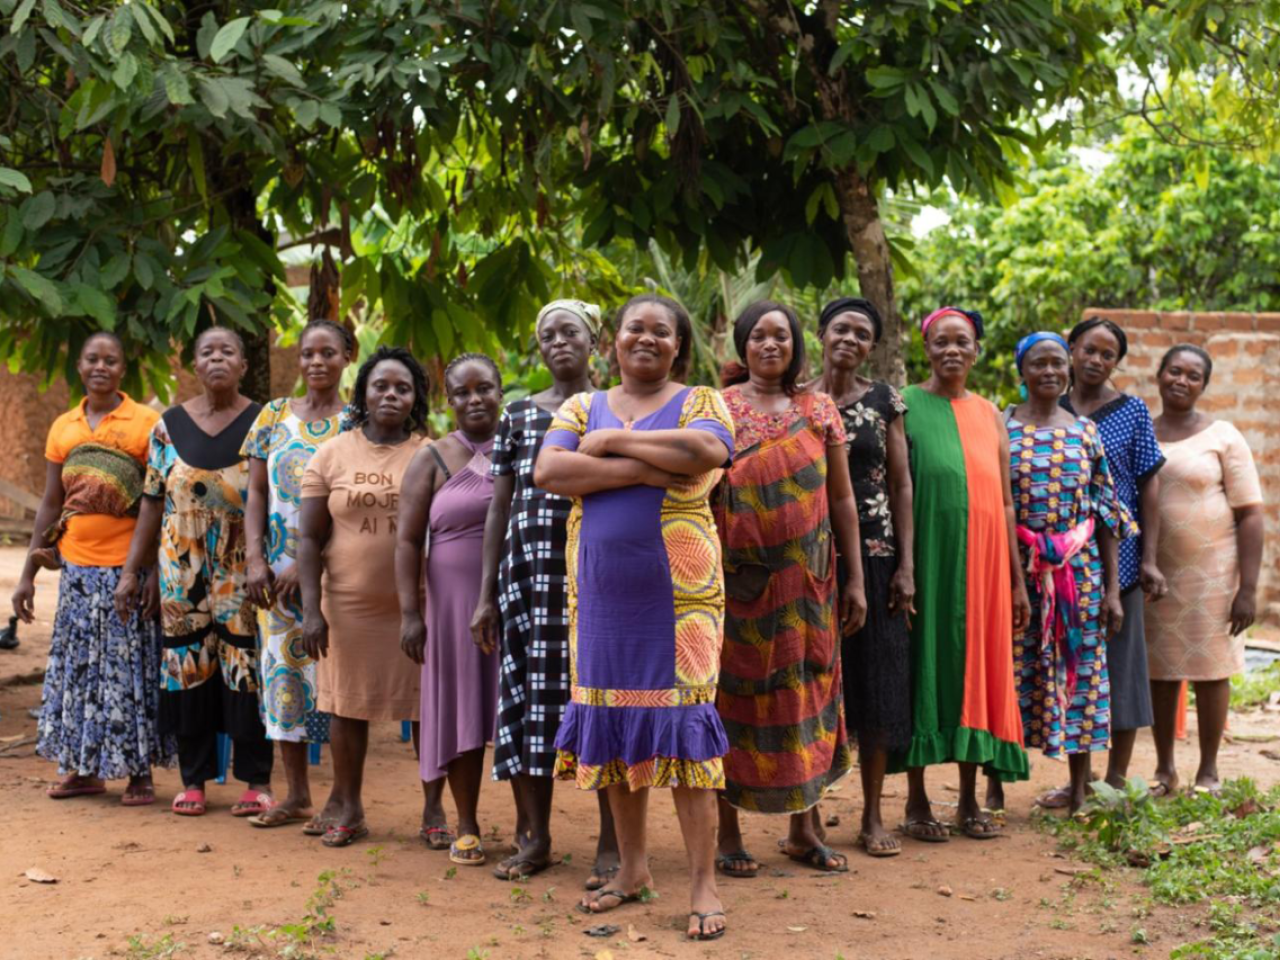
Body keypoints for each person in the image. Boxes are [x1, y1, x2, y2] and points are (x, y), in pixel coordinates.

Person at [534, 294, 735, 942]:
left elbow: (708, 453)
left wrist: (616, 444)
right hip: (600, 595)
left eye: (660, 331)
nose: (646, 339)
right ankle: (632, 871)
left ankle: (704, 884)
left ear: (678, 345)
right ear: (613, 342)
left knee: (682, 730)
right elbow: (551, 470)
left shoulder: (701, 398)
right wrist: (657, 469)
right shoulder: (578, 406)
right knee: (616, 722)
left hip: (681, 595)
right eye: (634, 329)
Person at [712, 301, 865, 879]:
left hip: (810, 582)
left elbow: (843, 499)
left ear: (796, 345)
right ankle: (727, 835)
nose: (769, 345)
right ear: (743, 344)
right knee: (736, 695)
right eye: (758, 336)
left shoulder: (818, 408)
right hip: (738, 583)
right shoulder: (717, 409)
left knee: (810, 693)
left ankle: (805, 830)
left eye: (780, 336)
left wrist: (855, 578)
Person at [471, 300, 620, 883]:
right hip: (529, 584)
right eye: (547, 335)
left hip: (599, 581)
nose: (558, 342)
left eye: (570, 332)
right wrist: (487, 593)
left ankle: (612, 841)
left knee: (604, 701)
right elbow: (498, 507)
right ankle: (533, 839)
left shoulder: (611, 410)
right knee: (527, 705)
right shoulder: (518, 415)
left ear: (593, 342)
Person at [14, 332, 174, 805]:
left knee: (131, 675)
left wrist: (153, 573)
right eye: (92, 358)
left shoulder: (148, 423)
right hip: (78, 575)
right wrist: (28, 573)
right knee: (80, 674)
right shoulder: (64, 426)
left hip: (129, 572)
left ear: (124, 369)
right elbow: (50, 503)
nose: (101, 366)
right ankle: (83, 770)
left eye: (111, 360)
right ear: (79, 367)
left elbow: (161, 501)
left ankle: (138, 774)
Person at [115, 327, 269, 817]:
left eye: (228, 352)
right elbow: (151, 504)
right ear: (194, 365)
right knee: (185, 664)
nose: (217, 358)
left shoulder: (263, 421)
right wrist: (130, 573)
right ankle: (195, 780)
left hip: (243, 564)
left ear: (243, 365)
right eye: (207, 352)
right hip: (181, 567)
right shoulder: (168, 425)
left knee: (246, 665)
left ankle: (255, 780)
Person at [891, 307, 1030, 842]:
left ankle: (970, 802)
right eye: (941, 342)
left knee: (977, 665)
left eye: (962, 342)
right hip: (931, 554)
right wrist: (904, 566)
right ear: (926, 349)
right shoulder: (905, 405)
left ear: (976, 352)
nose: (952, 350)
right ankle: (917, 801)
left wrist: (1016, 580)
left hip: (988, 563)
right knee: (929, 662)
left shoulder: (993, 414)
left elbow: (1006, 502)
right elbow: (900, 488)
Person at [986, 333, 1130, 815]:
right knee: (1009, 672)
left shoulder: (1086, 431)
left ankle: (1080, 787)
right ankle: (994, 786)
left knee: (1082, 675)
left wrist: (1112, 590)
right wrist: (1008, 577)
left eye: (1057, 364)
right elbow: (994, 508)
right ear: (1021, 372)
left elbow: (1105, 511)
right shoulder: (1001, 426)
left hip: (1078, 574)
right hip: (1017, 572)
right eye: (1038, 364)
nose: (1049, 371)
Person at [1033, 316, 1167, 808]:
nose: (1095, 360)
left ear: (1116, 363)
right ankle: (1079, 781)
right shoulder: (1050, 406)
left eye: (1107, 354)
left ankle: (1114, 781)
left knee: (1123, 671)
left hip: (1120, 560)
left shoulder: (1131, 412)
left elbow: (1148, 483)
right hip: (1059, 565)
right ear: (1071, 348)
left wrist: (1149, 558)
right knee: (1076, 673)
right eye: (1089, 349)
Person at [298, 346, 430, 846]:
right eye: (381, 385)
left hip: (414, 606)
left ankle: (434, 811)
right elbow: (309, 538)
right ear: (363, 393)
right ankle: (348, 807)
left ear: (415, 398)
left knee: (423, 708)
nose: (391, 394)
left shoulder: (428, 452)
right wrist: (312, 611)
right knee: (345, 707)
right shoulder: (332, 453)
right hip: (347, 605)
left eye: (402, 387)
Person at [811, 297, 915, 858]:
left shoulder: (883, 400)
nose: (850, 339)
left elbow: (901, 484)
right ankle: (808, 818)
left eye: (862, 334)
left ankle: (872, 816)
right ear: (822, 334)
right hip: (808, 560)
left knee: (877, 684)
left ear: (872, 346)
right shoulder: (799, 399)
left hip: (874, 558)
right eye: (841, 329)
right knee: (815, 688)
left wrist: (906, 566)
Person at [241, 320, 354, 830]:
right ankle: (296, 795)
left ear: (346, 357)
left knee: (335, 681)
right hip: (274, 580)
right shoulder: (272, 416)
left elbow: (353, 501)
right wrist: (256, 559)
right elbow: (257, 494)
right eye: (308, 353)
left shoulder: (358, 420)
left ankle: (340, 799)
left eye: (327, 353)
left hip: (335, 573)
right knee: (282, 675)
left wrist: (310, 563)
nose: (315, 362)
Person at [397, 353, 501, 867]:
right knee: (462, 708)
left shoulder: (524, 447)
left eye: (484, 388)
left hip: (516, 596)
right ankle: (466, 824)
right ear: (449, 400)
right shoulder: (433, 456)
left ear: (501, 391)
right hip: (452, 604)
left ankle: (533, 826)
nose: (474, 399)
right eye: (462, 392)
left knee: (516, 711)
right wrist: (411, 613)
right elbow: (407, 540)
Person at [1146, 344, 1264, 796]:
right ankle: (1164, 769)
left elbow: (1250, 513)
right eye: (1174, 371)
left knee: (1212, 669)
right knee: (1159, 671)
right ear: (1159, 375)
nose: (1181, 380)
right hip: (1153, 573)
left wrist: (1247, 588)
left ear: (1203, 385)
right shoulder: (1143, 431)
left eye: (1193, 376)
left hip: (1213, 573)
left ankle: (1208, 771)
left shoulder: (1224, 435)